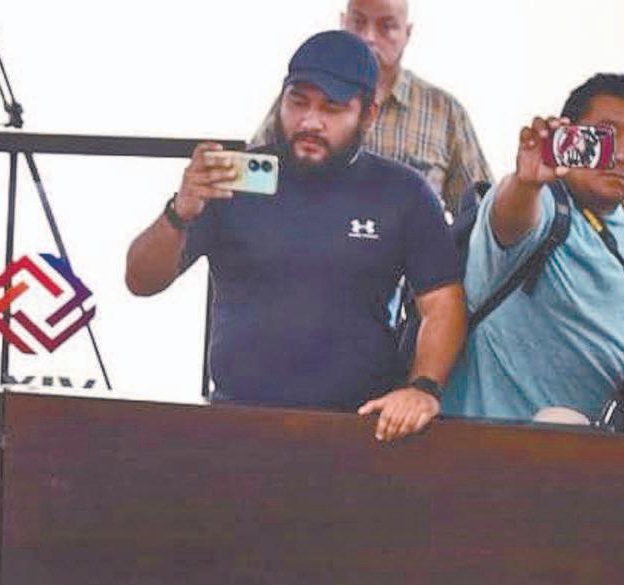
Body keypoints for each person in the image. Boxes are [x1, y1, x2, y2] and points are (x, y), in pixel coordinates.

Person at [125, 31, 466, 442]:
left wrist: (422, 388)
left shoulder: (402, 192)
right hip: (236, 422)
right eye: (298, 102)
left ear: (369, 115)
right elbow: (141, 281)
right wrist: (178, 213)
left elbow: (442, 303)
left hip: (362, 429)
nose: (310, 122)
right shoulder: (233, 179)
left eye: (332, 108)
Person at [443, 74, 624, 421]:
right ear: (569, 136)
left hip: (587, 446)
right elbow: (510, 221)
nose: (623, 156)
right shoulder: (541, 200)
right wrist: (526, 182)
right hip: (490, 441)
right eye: (605, 136)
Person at [250, 0, 489, 210]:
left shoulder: (443, 111)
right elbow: (253, 179)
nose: (369, 37)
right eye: (358, 22)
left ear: (407, 32)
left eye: (386, 26)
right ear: (343, 22)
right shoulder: (300, 99)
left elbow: (480, 212)